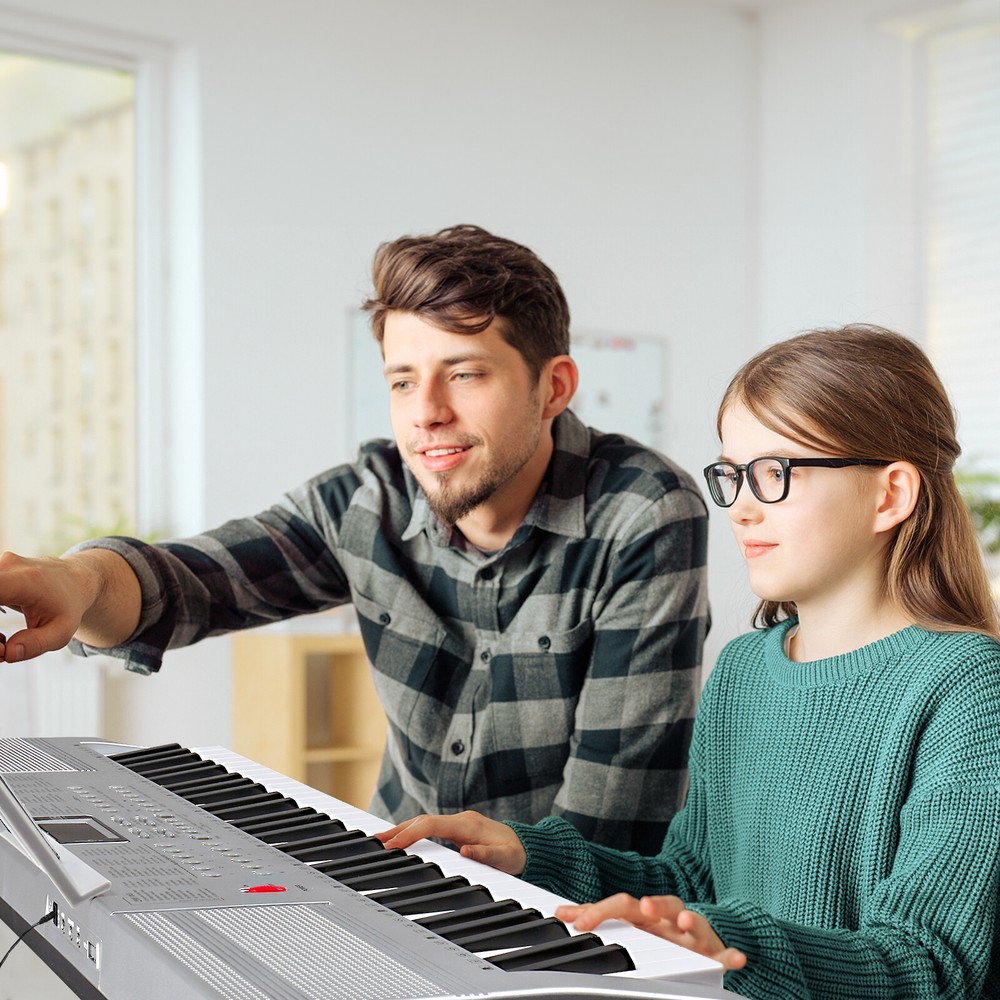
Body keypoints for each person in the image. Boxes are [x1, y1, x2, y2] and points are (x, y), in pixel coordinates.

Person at [0, 224, 709, 854]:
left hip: (568, 914)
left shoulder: (644, 514)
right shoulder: (368, 498)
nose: (426, 413)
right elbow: (192, 584)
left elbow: (611, 829)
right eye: (403, 382)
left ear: (553, 388)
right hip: (401, 874)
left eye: (463, 373)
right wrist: (81, 580)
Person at [377, 324, 1000, 1000]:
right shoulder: (744, 670)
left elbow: (932, 968)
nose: (742, 509)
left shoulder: (967, 687)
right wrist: (530, 855)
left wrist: (728, 944)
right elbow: (694, 882)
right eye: (733, 476)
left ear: (890, 495)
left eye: (774, 474)